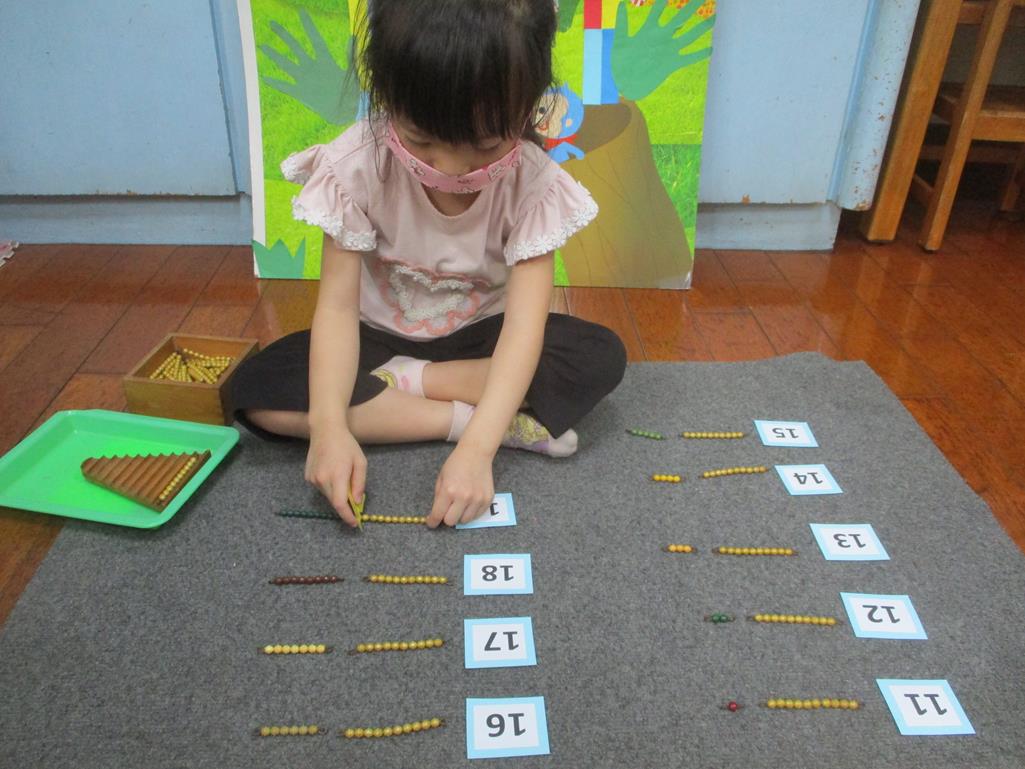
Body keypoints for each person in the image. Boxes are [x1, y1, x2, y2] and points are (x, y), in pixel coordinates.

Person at [231, 0, 626, 528]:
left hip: (482, 336)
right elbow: (338, 311)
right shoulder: (356, 165)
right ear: (385, 93)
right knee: (256, 389)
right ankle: (466, 418)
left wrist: (477, 455)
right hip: (375, 337)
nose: (451, 170)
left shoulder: (534, 184)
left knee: (598, 356)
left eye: (484, 145)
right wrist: (328, 431)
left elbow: (522, 332)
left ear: (530, 105)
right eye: (422, 140)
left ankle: (410, 383)